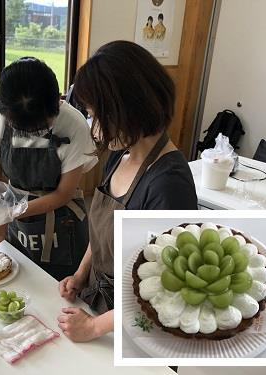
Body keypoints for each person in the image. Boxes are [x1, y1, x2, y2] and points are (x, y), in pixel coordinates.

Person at [57, 40, 198, 342]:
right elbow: (101, 234)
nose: (95, 130)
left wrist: (94, 327)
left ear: (129, 109)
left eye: (97, 116)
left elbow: (165, 289)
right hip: (101, 304)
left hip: (140, 323)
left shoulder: (169, 185)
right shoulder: (120, 156)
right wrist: (82, 275)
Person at [0, 57, 97, 281]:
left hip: (63, 226)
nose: (32, 135)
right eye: (20, 129)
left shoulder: (74, 124)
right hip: (16, 223)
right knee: (17, 283)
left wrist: (7, 214)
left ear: (57, 104)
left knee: (59, 297)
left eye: (41, 128)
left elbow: (63, 194)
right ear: (5, 114)